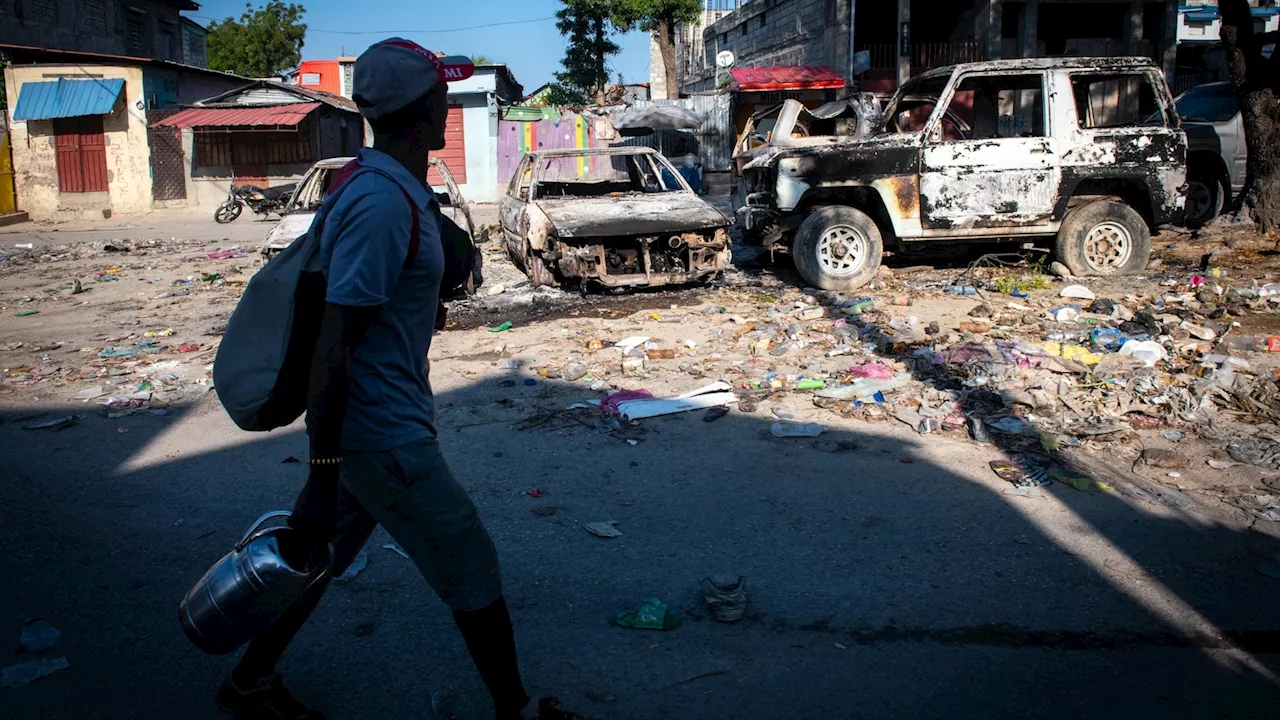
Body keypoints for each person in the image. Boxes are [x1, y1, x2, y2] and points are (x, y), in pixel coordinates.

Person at [213, 38, 581, 720]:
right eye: (441, 92)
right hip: (382, 435)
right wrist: (322, 474)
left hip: (371, 430)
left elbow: (382, 303)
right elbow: (334, 346)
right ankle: (518, 711)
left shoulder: (383, 185)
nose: (446, 100)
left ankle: (249, 682)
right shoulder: (381, 203)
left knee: (318, 558)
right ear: (429, 108)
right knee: (468, 561)